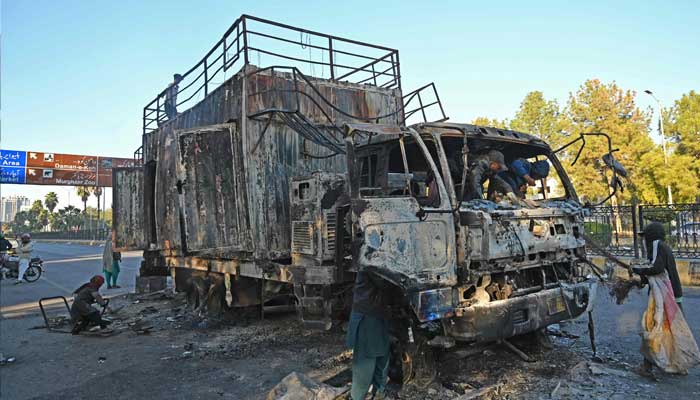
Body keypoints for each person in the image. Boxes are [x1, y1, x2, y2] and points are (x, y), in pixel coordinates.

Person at [632, 222, 685, 376]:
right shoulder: (663, 246)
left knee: (652, 328)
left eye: (645, 237)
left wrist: (636, 269)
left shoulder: (656, 245)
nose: (644, 241)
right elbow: (656, 271)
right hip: (674, 294)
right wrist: (642, 278)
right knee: (671, 331)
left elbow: (657, 268)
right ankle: (679, 364)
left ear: (650, 236)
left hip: (665, 296)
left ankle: (647, 367)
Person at [347, 270, 391, 400]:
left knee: (382, 357)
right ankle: (356, 397)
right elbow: (385, 282)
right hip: (367, 315)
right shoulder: (370, 258)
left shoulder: (382, 257)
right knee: (365, 363)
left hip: (379, 314)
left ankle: (379, 393)